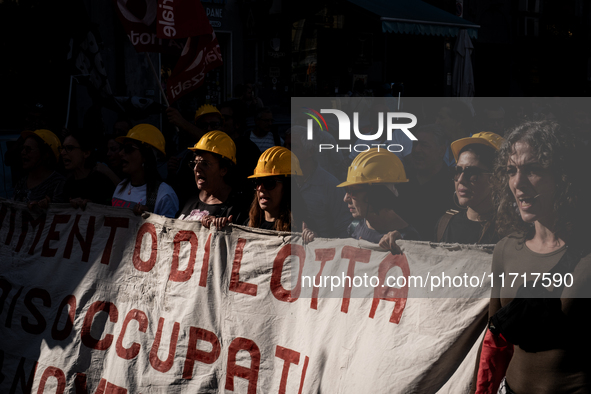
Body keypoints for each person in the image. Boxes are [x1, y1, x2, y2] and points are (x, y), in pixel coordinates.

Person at [475, 121, 591, 393]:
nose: (518, 182)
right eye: (511, 171)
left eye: (534, 170)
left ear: (564, 175)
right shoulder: (505, 249)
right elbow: (495, 344)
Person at [337, 148, 420, 253]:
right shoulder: (355, 227)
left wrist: (402, 245)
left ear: (376, 194)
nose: (346, 199)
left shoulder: (408, 238)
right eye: (346, 190)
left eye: (352, 191)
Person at [435, 132, 504, 244]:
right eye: (457, 171)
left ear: (497, 177)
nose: (461, 180)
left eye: (471, 173)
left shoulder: (512, 231)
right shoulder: (445, 224)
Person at [177, 130, 250, 228]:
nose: (196, 168)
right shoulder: (188, 198)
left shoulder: (238, 207)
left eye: (205, 164)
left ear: (223, 170)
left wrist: (226, 229)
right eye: (195, 163)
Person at [289, 126, 351, 238]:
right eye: (286, 146)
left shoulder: (330, 185)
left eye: (293, 146)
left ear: (310, 151)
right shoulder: (283, 181)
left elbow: (344, 229)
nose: (287, 151)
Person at [396, 124, 455, 240]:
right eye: (415, 144)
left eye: (424, 145)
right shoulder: (402, 181)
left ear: (441, 150)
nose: (417, 149)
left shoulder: (452, 186)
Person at [111, 124, 179, 218]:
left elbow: (171, 231)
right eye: (122, 148)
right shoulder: (121, 186)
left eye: (128, 149)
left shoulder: (164, 194)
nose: (121, 153)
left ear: (146, 156)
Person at [247, 146, 314, 240]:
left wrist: (312, 241)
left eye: (269, 183)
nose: (261, 188)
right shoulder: (248, 226)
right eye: (257, 182)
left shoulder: (301, 228)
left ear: (287, 188)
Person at [13, 129, 66, 208]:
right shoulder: (21, 182)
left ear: (46, 154)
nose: (23, 152)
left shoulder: (58, 184)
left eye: (28, 149)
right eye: (23, 148)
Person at [61, 130, 115, 207]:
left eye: (69, 148)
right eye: (62, 148)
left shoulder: (101, 182)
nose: (62, 152)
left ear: (86, 153)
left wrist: (91, 205)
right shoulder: (68, 184)